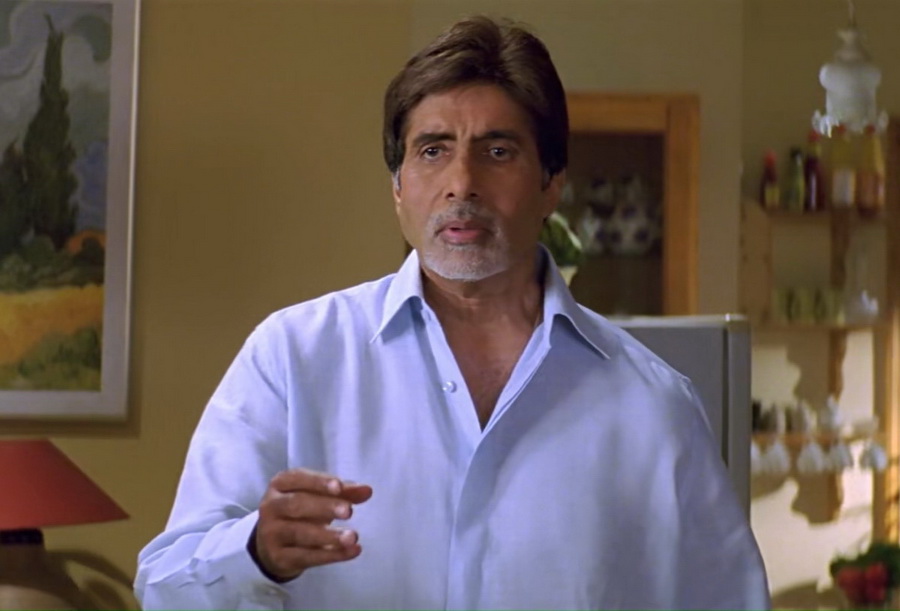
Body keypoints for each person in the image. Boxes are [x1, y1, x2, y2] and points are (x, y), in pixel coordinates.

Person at [135, 15, 770, 610]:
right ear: (397, 186)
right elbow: (163, 588)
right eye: (433, 150)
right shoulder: (293, 357)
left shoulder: (653, 405)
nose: (461, 183)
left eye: (497, 151)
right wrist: (254, 553)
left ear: (552, 183)